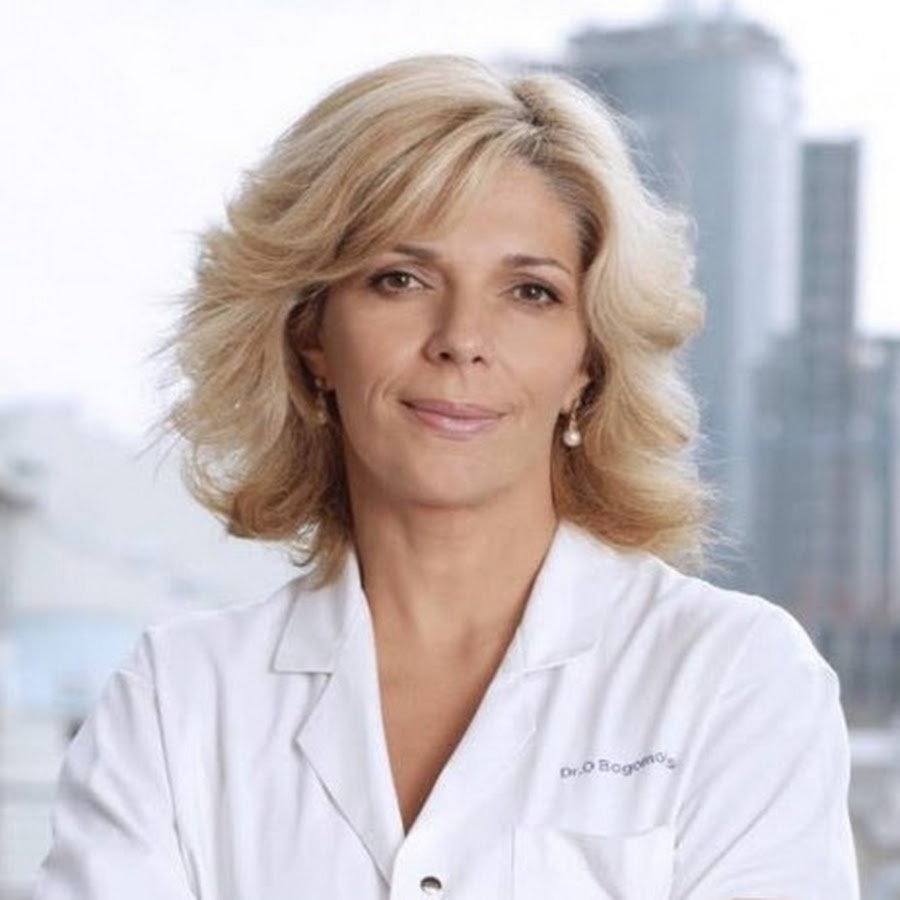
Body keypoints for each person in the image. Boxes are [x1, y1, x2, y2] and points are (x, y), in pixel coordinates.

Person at [35, 55, 859, 899]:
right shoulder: (178, 699)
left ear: (588, 360)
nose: (462, 338)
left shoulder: (733, 678)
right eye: (400, 280)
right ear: (312, 337)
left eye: (530, 292)